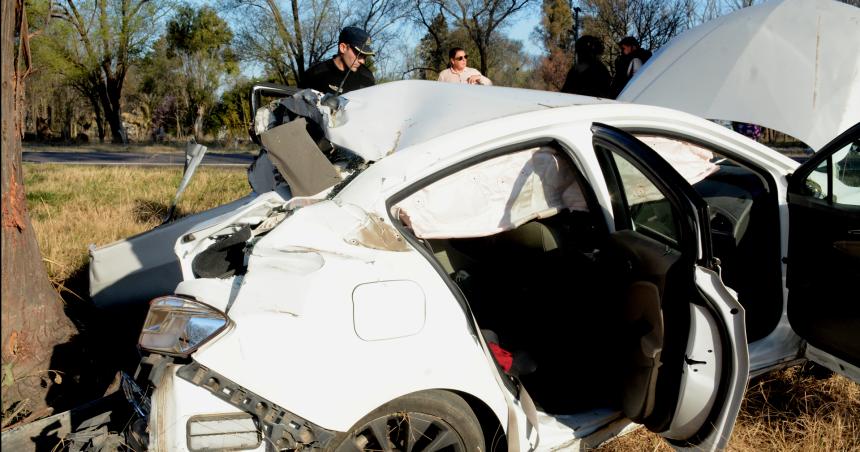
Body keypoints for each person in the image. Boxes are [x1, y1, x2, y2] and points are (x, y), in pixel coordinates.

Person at [299, 26, 376, 95]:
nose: (362, 61)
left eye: (365, 56)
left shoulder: (367, 78)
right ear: (343, 48)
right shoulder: (315, 74)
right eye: (359, 54)